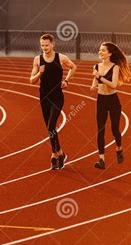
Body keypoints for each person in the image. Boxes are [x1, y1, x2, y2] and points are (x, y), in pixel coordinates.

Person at [30, 33, 77, 170]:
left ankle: (59, 154)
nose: (44, 48)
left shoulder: (61, 58)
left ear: (52, 44)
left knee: (51, 126)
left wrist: (67, 80)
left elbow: (73, 67)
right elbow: (32, 80)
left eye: (47, 45)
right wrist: (40, 73)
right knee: (50, 129)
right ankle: (55, 154)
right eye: (42, 45)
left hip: (57, 96)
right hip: (44, 97)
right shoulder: (37, 60)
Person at [90, 42, 131, 169]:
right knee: (100, 130)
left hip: (113, 101)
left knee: (115, 129)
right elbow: (94, 84)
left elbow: (114, 85)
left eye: (103, 50)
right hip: (101, 100)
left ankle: (119, 148)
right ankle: (101, 159)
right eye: (99, 50)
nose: (100, 52)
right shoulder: (96, 66)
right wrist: (93, 86)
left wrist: (100, 78)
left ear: (110, 53)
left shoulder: (115, 67)